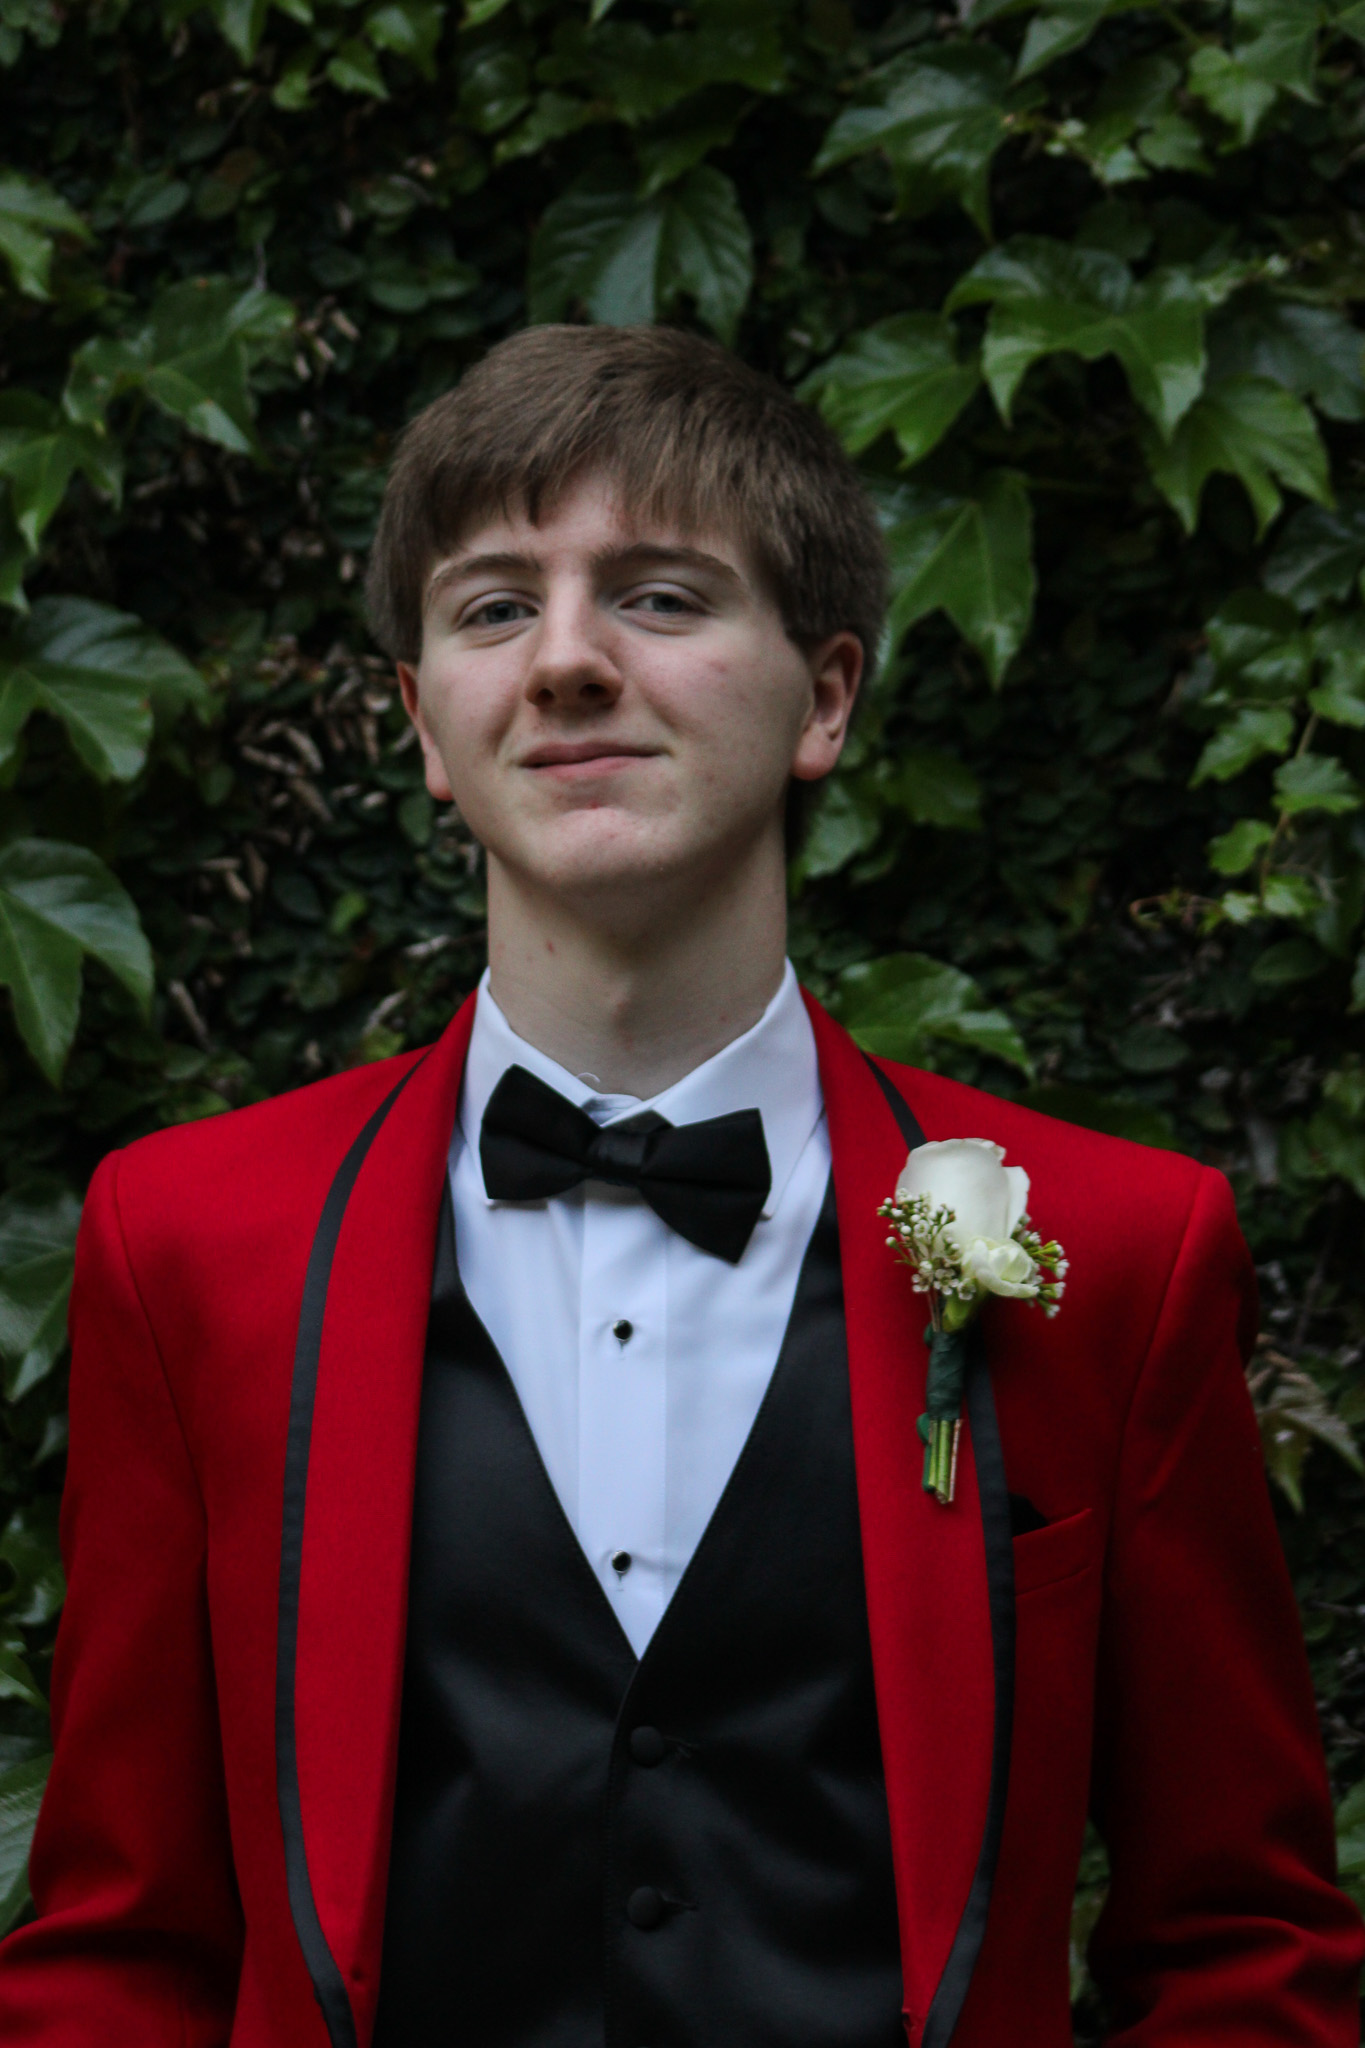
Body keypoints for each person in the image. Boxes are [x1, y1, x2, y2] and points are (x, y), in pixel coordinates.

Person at [0, 323, 1359, 2048]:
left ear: (828, 696)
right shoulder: (185, 1243)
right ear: (428, 727)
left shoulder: (1114, 1251)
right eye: (494, 607)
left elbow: (1238, 1938)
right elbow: (123, 1948)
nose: (564, 660)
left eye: (656, 597)